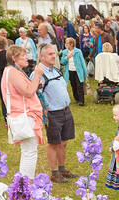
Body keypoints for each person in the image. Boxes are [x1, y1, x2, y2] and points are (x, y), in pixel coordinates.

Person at [2, 45, 45, 178]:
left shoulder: (15, 71)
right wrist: (37, 75)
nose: (27, 58)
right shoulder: (12, 72)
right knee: (29, 152)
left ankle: (24, 183)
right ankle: (25, 184)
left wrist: (34, 84)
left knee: (29, 151)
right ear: (14, 58)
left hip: (24, 115)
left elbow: (26, 89)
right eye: (23, 55)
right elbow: (27, 92)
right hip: (24, 115)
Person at [37, 44, 76, 183]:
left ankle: (62, 168)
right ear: (42, 57)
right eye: (50, 54)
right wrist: (44, 112)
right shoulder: (39, 74)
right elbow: (35, 94)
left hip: (66, 110)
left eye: (54, 53)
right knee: (54, 143)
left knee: (64, 142)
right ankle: (54, 173)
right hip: (53, 114)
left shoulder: (56, 70)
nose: (54, 56)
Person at [60, 37, 89, 107]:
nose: (65, 44)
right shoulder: (64, 52)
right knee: (73, 85)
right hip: (69, 71)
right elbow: (62, 62)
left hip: (78, 71)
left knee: (80, 85)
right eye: (65, 43)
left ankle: (82, 101)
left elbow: (82, 62)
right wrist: (67, 57)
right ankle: (77, 98)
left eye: (67, 43)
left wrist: (85, 73)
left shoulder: (78, 51)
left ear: (71, 44)